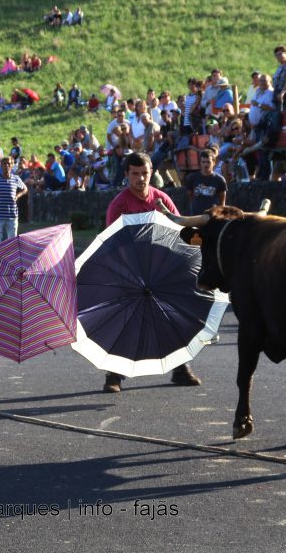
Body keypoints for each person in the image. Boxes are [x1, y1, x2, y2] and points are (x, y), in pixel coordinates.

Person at [102, 152, 201, 393]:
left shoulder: (161, 199)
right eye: (135, 174)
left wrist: (199, 241)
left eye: (145, 173)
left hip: (163, 270)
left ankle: (180, 369)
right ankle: (114, 376)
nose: (141, 178)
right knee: (128, 324)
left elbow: (181, 228)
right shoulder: (119, 205)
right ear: (126, 174)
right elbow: (112, 243)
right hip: (131, 271)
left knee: (173, 318)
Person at [0, 157, 27, 243]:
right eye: (4, 163)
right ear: (1, 165)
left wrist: (18, 195)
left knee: (13, 242)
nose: (7, 165)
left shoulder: (16, 178)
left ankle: (11, 257)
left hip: (12, 215)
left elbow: (25, 189)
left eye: (9, 163)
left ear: (12, 165)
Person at [184, 150, 227, 215]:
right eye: (203, 162)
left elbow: (222, 202)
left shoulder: (220, 180)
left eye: (208, 162)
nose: (205, 165)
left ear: (214, 162)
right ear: (200, 163)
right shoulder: (192, 178)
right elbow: (190, 196)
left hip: (213, 216)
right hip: (196, 216)